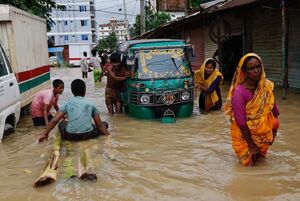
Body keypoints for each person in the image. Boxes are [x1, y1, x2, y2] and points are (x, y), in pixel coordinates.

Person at [224, 53, 280, 166]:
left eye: (258, 67)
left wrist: (272, 133)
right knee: (248, 167)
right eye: (251, 68)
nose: (256, 71)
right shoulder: (239, 92)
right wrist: (251, 145)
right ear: (244, 71)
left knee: (262, 163)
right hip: (244, 136)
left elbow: (274, 110)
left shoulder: (266, 86)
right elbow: (241, 122)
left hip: (262, 134)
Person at [39, 79, 109, 142]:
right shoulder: (91, 103)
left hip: (71, 136)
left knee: (62, 123)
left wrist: (45, 133)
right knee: (104, 124)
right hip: (87, 135)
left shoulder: (66, 103)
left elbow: (54, 121)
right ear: (85, 90)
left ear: (72, 91)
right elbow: (99, 125)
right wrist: (109, 137)